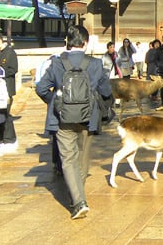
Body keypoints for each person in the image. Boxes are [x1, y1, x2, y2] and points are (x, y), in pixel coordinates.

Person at [35, 25, 112, 219]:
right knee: (82, 158)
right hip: (88, 118)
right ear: (85, 43)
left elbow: (41, 88)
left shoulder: (57, 63)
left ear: (68, 42)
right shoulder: (95, 64)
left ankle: (78, 201)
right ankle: (78, 196)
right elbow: (106, 91)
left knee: (67, 159)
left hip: (62, 119)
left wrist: (55, 102)